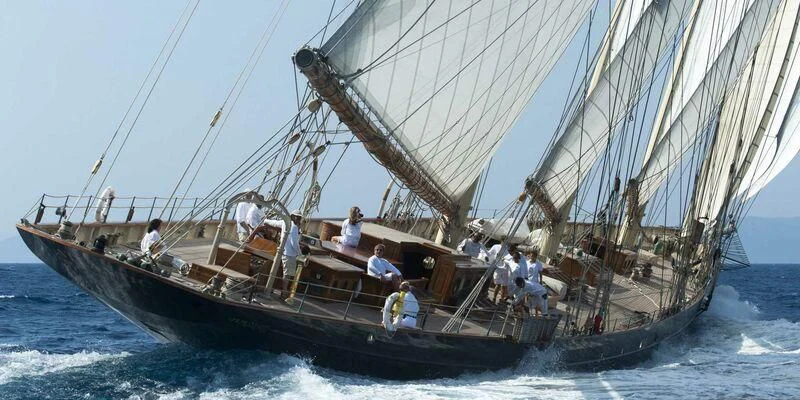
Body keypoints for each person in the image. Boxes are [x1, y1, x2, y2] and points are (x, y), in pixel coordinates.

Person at [261, 210, 303, 296]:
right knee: (287, 275)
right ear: (294, 217)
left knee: (280, 272)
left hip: (282, 251)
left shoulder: (284, 223)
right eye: (298, 217)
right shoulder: (294, 227)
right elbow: (294, 243)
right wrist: (300, 254)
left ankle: (277, 290)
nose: (299, 219)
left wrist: (265, 220)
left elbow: (274, 223)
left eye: (300, 217)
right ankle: (284, 293)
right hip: (290, 254)